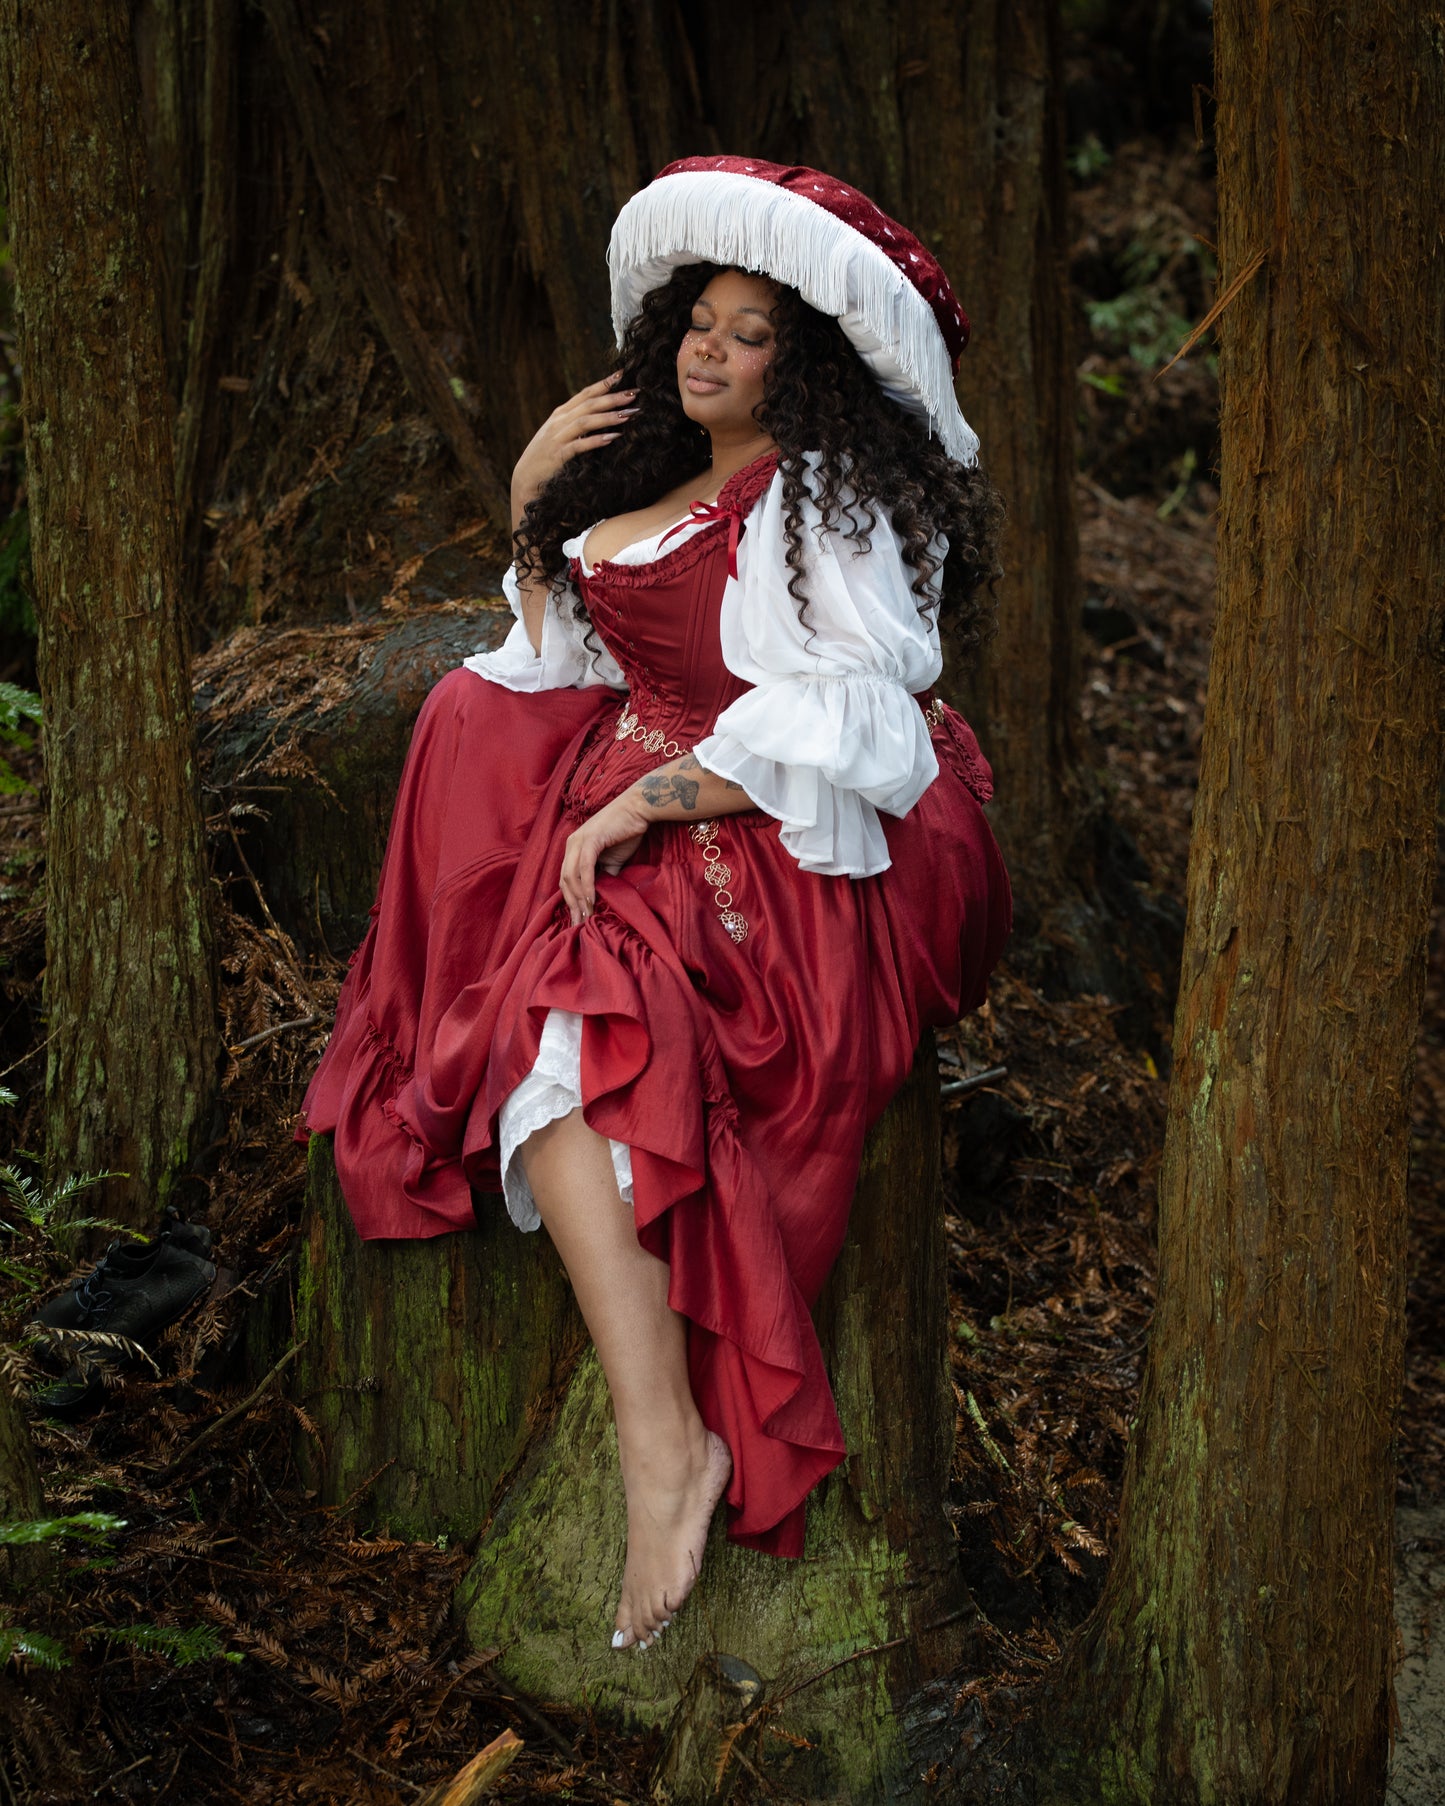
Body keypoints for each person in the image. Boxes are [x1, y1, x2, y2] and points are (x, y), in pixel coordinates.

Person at [300, 155, 1012, 1654]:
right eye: (696, 316)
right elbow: (573, 665)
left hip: (773, 843)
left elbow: (853, 724)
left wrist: (640, 803)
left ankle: (663, 1443)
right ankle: (659, 1435)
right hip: (635, 808)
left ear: (801, 360)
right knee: (526, 986)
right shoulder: (667, 485)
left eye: (748, 329)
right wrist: (523, 508)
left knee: (570, 1044)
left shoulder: (823, 503)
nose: (706, 345)